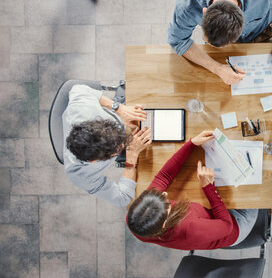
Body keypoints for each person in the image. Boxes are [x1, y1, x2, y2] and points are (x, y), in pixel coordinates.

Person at [127, 130, 259, 250]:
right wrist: (208, 187)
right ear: (163, 223)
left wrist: (191, 144)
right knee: (259, 182)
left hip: (211, 219)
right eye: (166, 202)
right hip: (236, 223)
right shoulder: (190, 228)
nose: (164, 193)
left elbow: (163, 177)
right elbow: (227, 225)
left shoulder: (136, 221)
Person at [63, 84, 151, 207]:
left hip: (117, 113)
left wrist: (118, 108)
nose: (122, 141)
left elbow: (77, 88)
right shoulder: (80, 175)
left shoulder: (82, 109)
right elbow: (122, 199)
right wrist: (131, 156)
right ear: (95, 161)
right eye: (118, 148)